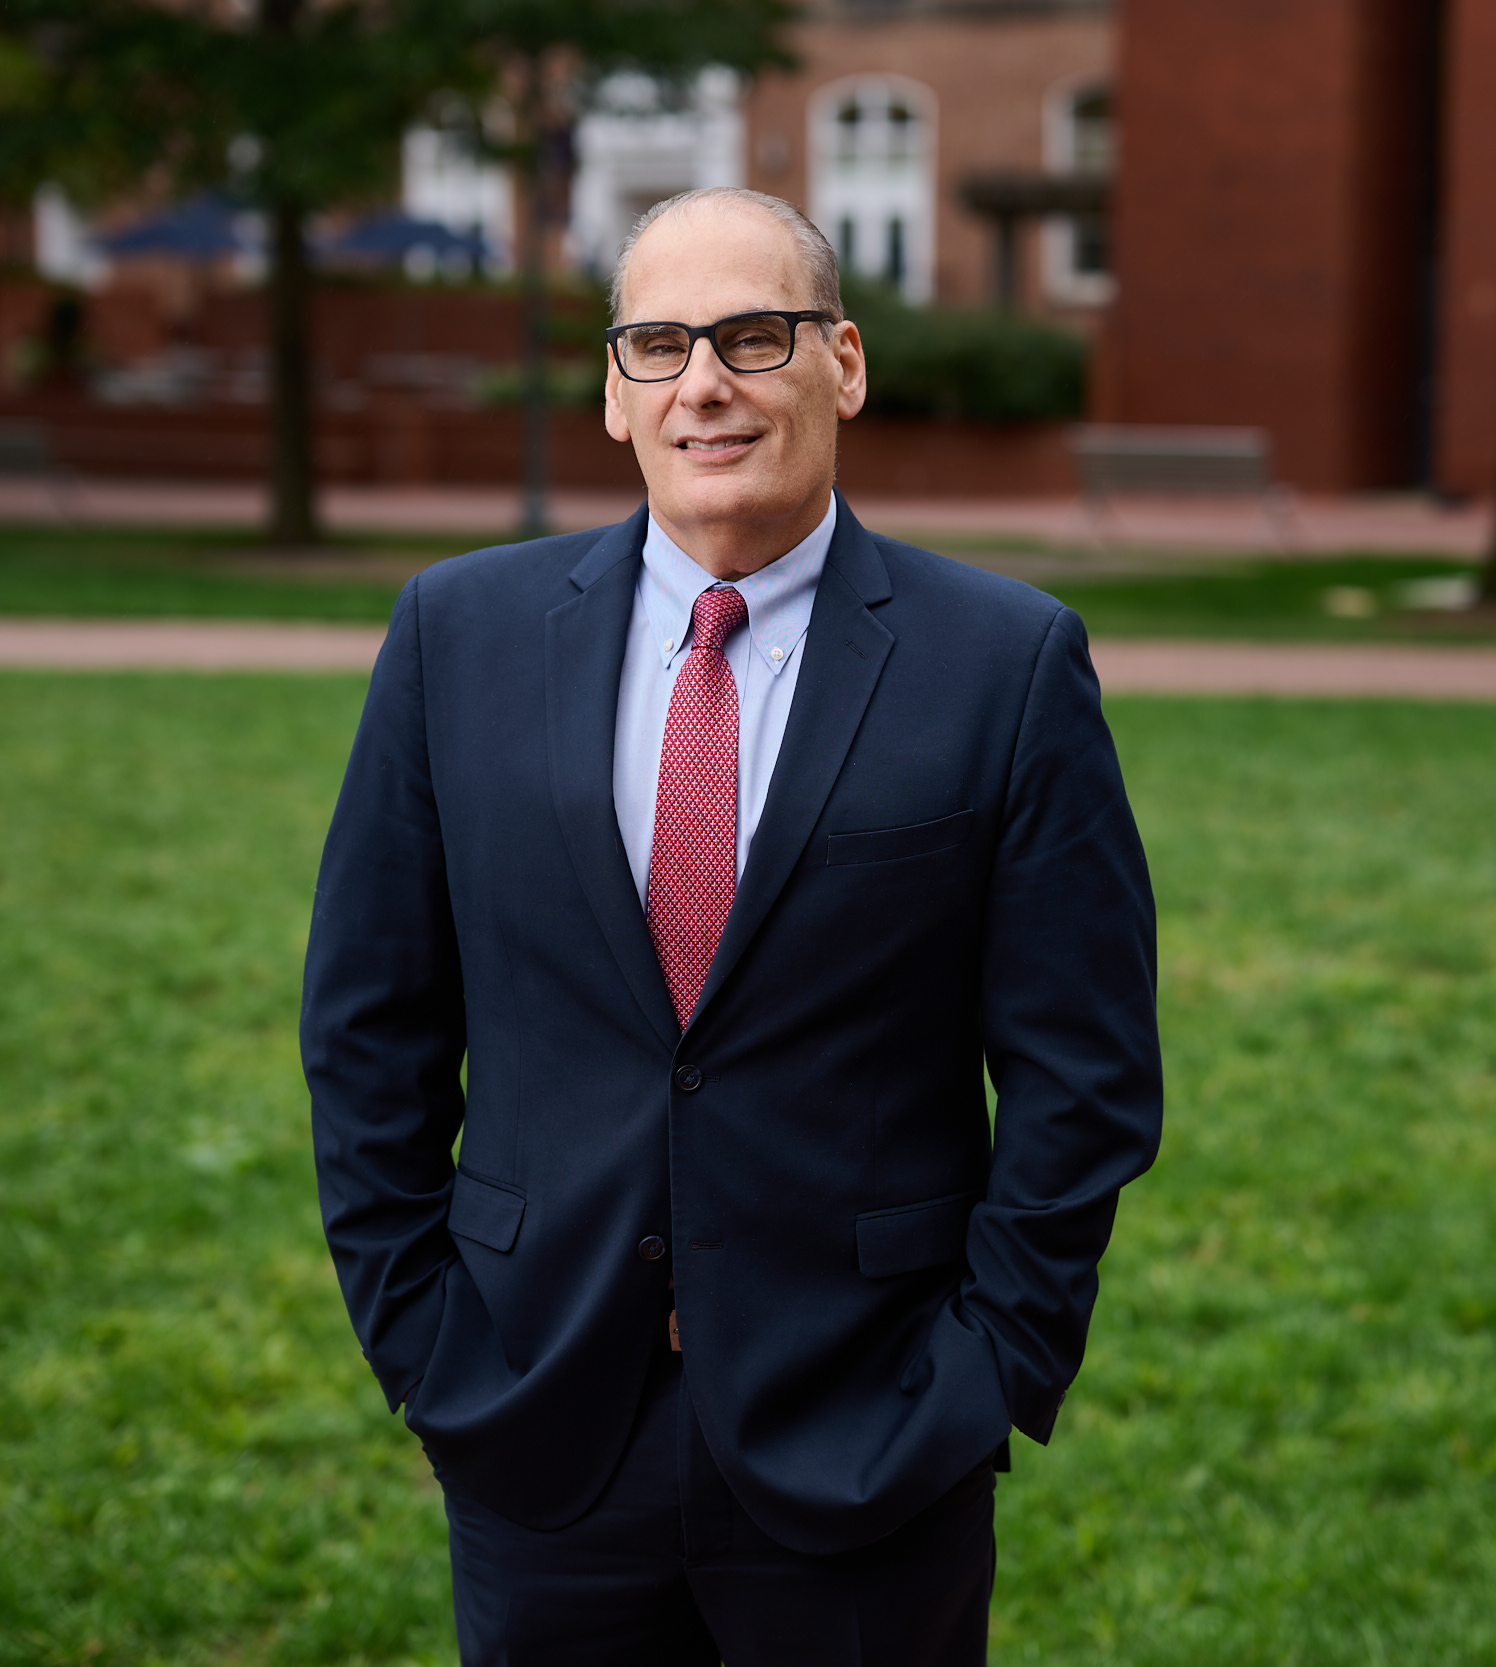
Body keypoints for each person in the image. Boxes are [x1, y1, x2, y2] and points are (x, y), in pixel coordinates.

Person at [301, 186, 1162, 1665]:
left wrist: (986, 1370)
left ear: (844, 365)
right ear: (617, 394)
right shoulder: (458, 636)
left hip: (870, 1433)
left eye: (751, 337)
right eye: (656, 344)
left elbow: (1085, 1077)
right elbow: (368, 1024)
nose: (702, 381)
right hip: (539, 1418)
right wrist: (426, 1341)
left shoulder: (1005, 665)